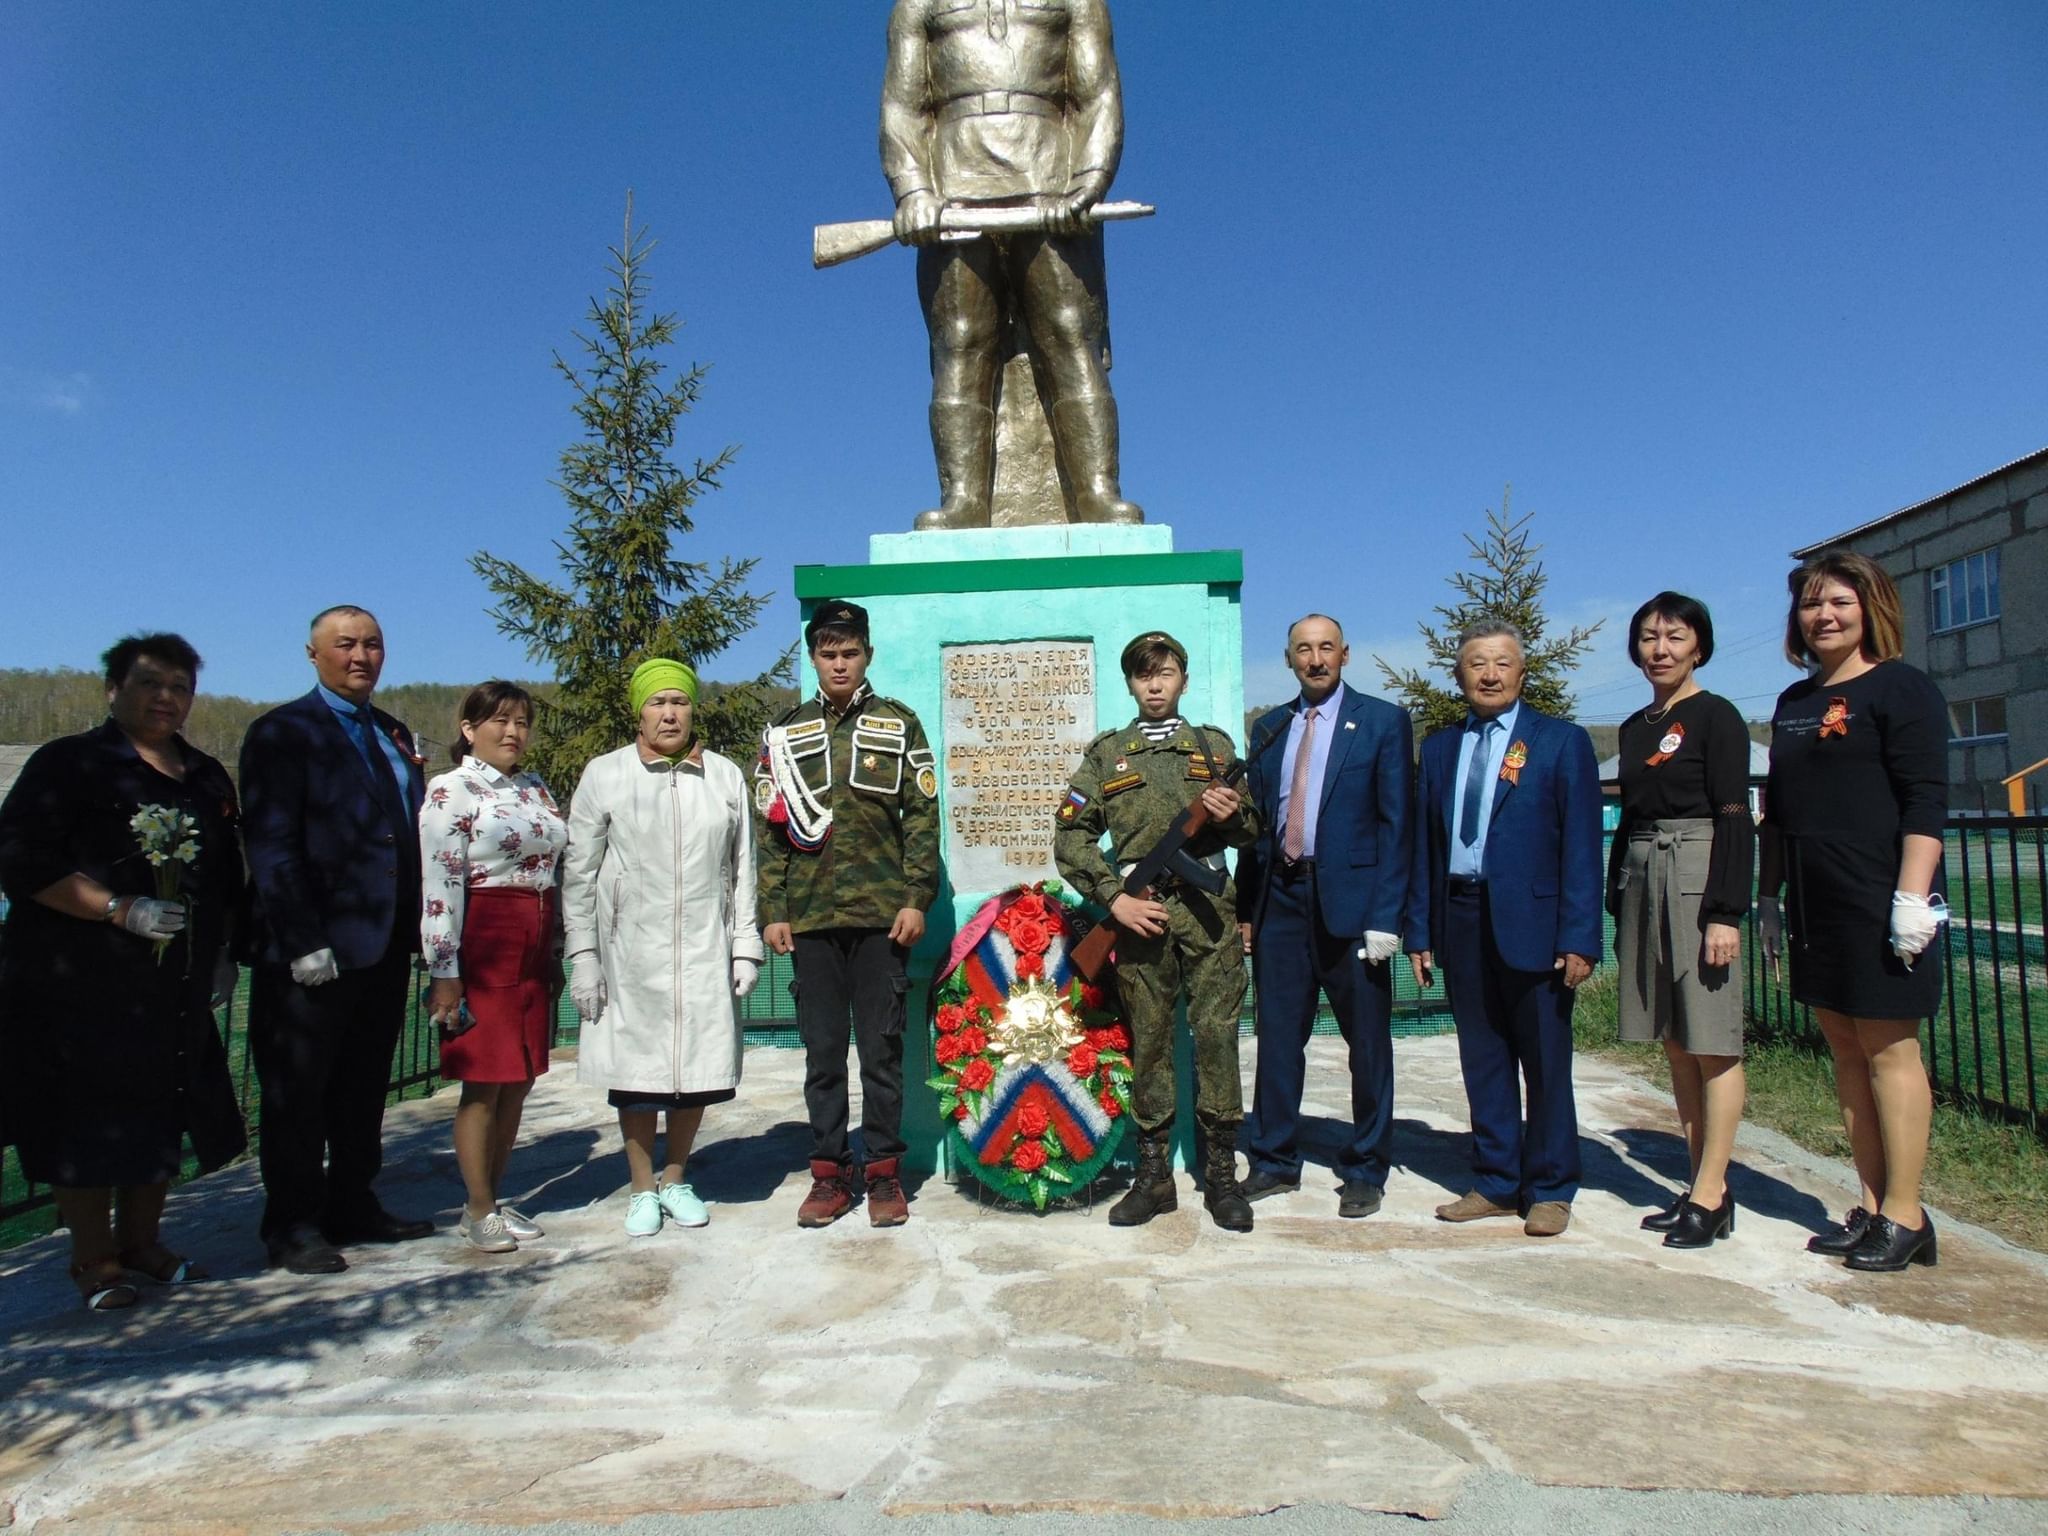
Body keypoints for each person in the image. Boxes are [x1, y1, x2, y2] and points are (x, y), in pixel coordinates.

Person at [0, 634, 246, 1311]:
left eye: (179, 687)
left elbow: (225, 872)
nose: (166, 698)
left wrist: (222, 948)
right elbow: (20, 860)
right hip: (81, 980)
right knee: (87, 1119)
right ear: (113, 689)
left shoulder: (204, 775)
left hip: (171, 983)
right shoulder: (70, 764)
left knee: (161, 1106)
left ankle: (143, 1242)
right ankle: (93, 1258)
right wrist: (115, 908)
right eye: (149, 683)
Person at [881, 0, 1142, 528]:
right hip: (952, 179)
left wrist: (1088, 180)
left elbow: (1096, 94)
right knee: (960, 340)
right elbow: (903, 106)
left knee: (1070, 333)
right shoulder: (918, 5)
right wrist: (912, 190)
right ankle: (964, 502)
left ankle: (1096, 492)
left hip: (1051, 173)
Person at [1758, 551, 1948, 1272]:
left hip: (1879, 893)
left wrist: (1910, 897)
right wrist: (1769, 897)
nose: (1823, 615)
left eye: (1838, 601)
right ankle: (1871, 1206)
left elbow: (1926, 799)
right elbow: (1777, 811)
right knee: (1843, 1045)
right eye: (1811, 603)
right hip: (1815, 898)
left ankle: (1907, 1213)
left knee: (1890, 1050)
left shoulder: (1902, 689)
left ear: (1870, 608)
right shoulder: (1794, 704)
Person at [240, 605, 433, 1275]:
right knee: (298, 1092)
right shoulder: (282, 733)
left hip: (381, 946)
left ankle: (353, 1202)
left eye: (373, 644)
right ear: (313, 654)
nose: (361, 656)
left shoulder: (392, 732)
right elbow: (272, 843)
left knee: (361, 1086)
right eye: (345, 644)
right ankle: (292, 1224)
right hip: (312, 952)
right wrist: (301, 939)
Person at [1053, 630, 1260, 1232]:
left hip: (1209, 914)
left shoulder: (1214, 748)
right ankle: (1154, 1179)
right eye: (1144, 675)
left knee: (1216, 1038)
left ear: (1183, 681)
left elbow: (1253, 830)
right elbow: (1071, 834)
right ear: (1130, 684)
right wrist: (1114, 901)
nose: (1155, 685)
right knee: (1149, 1042)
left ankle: (1222, 1175)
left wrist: (1236, 815)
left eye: (1166, 673)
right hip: (1140, 917)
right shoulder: (1107, 754)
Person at [1407, 619, 1603, 1238]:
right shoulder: (1439, 749)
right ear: (1459, 674)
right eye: (1476, 664)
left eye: (1501, 663)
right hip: (1461, 915)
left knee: (1544, 1061)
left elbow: (1580, 847)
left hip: (1537, 925)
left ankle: (1549, 1187)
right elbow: (1425, 847)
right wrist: (1420, 930)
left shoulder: (1559, 742)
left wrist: (1579, 935)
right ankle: (1495, 1179)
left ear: (1522, 673)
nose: (1489, 674)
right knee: (1483, 1056)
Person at [563, 660, 764, 1237]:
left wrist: (744, 943)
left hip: (703, 943)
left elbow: (743, 866)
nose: (669, 713)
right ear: (639, 711)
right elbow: (580, 872)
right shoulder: (606, 774)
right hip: (632, 949)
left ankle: (676, 1177)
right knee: (637, 1072)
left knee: (696, 1069)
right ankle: (640, 1186)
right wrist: (584, 955)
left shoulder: (724, 776)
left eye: (679, 701)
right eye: (657, 703)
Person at [754, 601, 938, 1228]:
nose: (839, 663)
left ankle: (884, 1174)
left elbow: (922, 819)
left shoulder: (901, 725)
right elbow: (770, 831)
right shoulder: (785, 734)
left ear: (867, 655)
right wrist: (772, 909)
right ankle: (830, 1175)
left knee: (882, 1053)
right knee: (823, 1055)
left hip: (884, 918)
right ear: (813, 658)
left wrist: (917, 896)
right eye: (828, 653)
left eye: (849, 651)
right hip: (810, 920)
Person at [1235, 615, 1413, 1217]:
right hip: (1281, 899)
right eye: (1303, 650)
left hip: (1355, 908)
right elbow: (1256, 830)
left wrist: (1388, 914)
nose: (1316, 659)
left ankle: (1365, 1166)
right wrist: (1246, 910)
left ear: (1346, 654)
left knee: (1367, 1043)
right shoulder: (1269, 727)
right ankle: (1274, 1158)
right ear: (1288, 659)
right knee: (1279, 1038)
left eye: (1326, 648)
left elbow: (1397, 826)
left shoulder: (1383, 723)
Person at [1608, 593, 1754, 1249]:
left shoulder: (1716, 716)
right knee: (1674, 1036)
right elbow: (1631, 813)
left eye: (1674, 636)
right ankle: (1702, 1185)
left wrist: (1725, 912)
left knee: (1713, 1040)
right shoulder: (1637, 725)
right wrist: (1620, 897)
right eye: (1647, 638)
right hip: (1644, 871)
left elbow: (1733, 815)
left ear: (1699, 644)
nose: (1659, 649)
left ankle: (1711, 1190)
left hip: (1698, 871)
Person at [418, 682, 568, 1253]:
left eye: (522, 722)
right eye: (500, 721)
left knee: (520, 1077)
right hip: (484, 940)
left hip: (534, 941)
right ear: (468, 727)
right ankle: (477, 1207)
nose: (512, 732)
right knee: (483, 1081)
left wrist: (553, 946)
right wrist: (444, 967)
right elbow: (441, 880)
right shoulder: (451, 790)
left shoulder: (534, 788)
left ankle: (493, 1198)